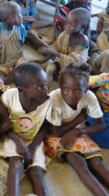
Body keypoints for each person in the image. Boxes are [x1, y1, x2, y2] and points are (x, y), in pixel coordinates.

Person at [45, 63, 109, 196]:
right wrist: (80, 118)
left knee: (97, 163)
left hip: (75, 131)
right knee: (80, 165)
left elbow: (101, 125)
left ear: (86, 89)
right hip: (54, 134)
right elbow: (56, 132)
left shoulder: (89, 96)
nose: (71, 94)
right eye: (66, 89)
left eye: (77, 90)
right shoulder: (54, 99)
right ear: (60, 86)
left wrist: (78, 131)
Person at [0, 63, 51, 196]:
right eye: (39, 87)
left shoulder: (48, 101)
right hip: (13, 137)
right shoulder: (8, 97)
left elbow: (45, 126)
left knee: (36, 172)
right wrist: (18, 143)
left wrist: (33, 147)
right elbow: (4, 124)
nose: (45, 89)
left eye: (45, 84)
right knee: (16, 163)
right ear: (22, 89)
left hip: (34, 140)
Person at [47, 8, 90, 86]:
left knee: (71, 81)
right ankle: (45, 88)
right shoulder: (65, 33)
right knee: (49, 69)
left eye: (72, 25)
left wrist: (56, 54)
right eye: (66, 23)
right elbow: (55, 46)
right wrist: (48, 54)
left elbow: (75, 62)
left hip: (75, 68)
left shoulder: (83, 41)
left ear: (82, 27)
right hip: (60, 61)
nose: (67, 26)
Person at [0, 1, 27, 83]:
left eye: (19, 13)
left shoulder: (21, 28)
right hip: (3, 64)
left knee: (26, 77)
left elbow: (21, 45)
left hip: (18, 60)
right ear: (5, 19)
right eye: (15, 15)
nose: (20, 16)